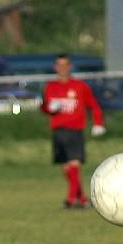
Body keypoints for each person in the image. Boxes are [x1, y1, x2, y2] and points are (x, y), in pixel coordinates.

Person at [40, 53, 106, 209]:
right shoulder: (50, 86)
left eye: (65, 65)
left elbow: (93, 105)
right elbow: (43, 107)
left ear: (70, 67)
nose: (62, 68)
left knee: (75, 164)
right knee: (66, 168)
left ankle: (70, 199)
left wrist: (98, 123)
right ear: (55, 67)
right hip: (58, 131)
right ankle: (81, 198)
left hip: (75, 130)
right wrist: (48, 108)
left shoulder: (79, 86)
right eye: (59, 65)